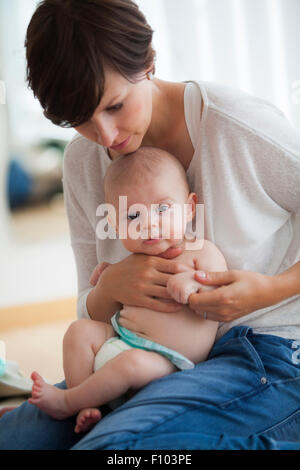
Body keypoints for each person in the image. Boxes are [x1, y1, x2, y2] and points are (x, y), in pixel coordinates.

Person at [0, 0, 300, 450]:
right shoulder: (82, 162)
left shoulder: (236, 126)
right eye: (79, 120)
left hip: (267, 351)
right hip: (143, 354)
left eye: (115, 105)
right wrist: (110, 288)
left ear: (149, 62)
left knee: (117, 450)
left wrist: (267, 290)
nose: (105, 136)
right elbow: (90, 308)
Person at [28, 147, 226, 434]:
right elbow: (109, 301)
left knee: (130, 363)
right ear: (115, 225)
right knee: (78, 331)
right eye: (133, 216)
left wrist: (192, 285)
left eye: (162, 208)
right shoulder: (132, 261)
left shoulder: (201, 252)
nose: (150, 223)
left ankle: (69, 401)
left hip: (167, 362)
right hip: (121, 339)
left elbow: (219, 290)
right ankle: (88, 403)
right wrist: (106, 277)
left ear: (189, 208)